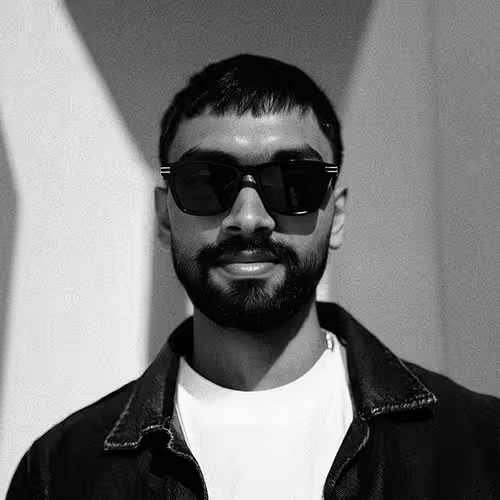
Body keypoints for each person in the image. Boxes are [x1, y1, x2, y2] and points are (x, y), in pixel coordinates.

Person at [7, 54, 499, 499]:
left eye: (294, 182)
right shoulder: (59, 474)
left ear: (337, 216)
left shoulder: (481, 445)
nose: (248, 218)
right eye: (206, 181)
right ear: (163, 218)